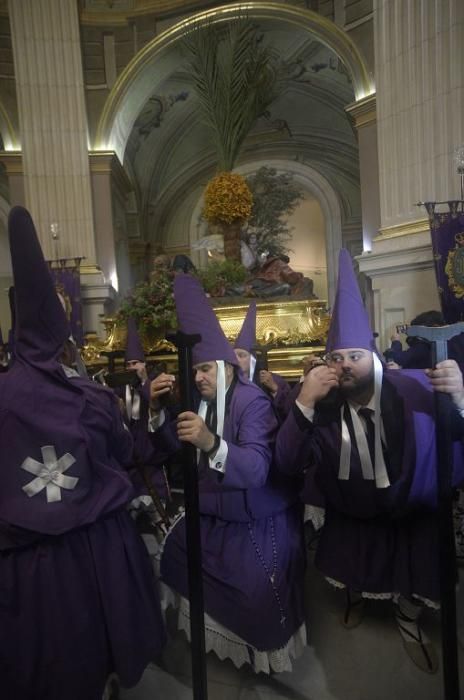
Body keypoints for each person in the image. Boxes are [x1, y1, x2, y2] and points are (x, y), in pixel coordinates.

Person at [0, 207, 166, 700]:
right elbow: (123, 454)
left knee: (39, 656)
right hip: (95, 550)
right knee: (99, 642)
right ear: (60, 330)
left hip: (23, 563)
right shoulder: (91, 397)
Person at [275, 249, 464, 674]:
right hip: (351, 509)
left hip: (410, 508)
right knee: (352, 568)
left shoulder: (415, 388)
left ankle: (407, 618)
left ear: (374, 357)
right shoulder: (319, 404)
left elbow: (456, 435)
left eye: (354, 357)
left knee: (417, 575)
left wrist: (460, 399)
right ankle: (356, 596)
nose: (344, 367)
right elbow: (286, 464)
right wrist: (303, 402)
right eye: (336, 358)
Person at [149, 274, 306, 673]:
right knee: (173, 553)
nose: (198, 377)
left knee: (258, 589)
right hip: (210, 508)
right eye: (193, 370)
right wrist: (153, 413)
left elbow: (255, 469)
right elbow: (168, 449)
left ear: (226, 367)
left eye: (204, 369)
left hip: (256, 510)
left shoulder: (251, 402)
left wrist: (210, 444)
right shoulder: (199, 399)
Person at [233, 300, 291, 419]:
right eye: (234, 356)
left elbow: (291, 411)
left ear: (253, 359)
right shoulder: (229, 384)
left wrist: (274, 388)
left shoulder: (275, 380)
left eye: (242, 355)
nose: (236, 360)